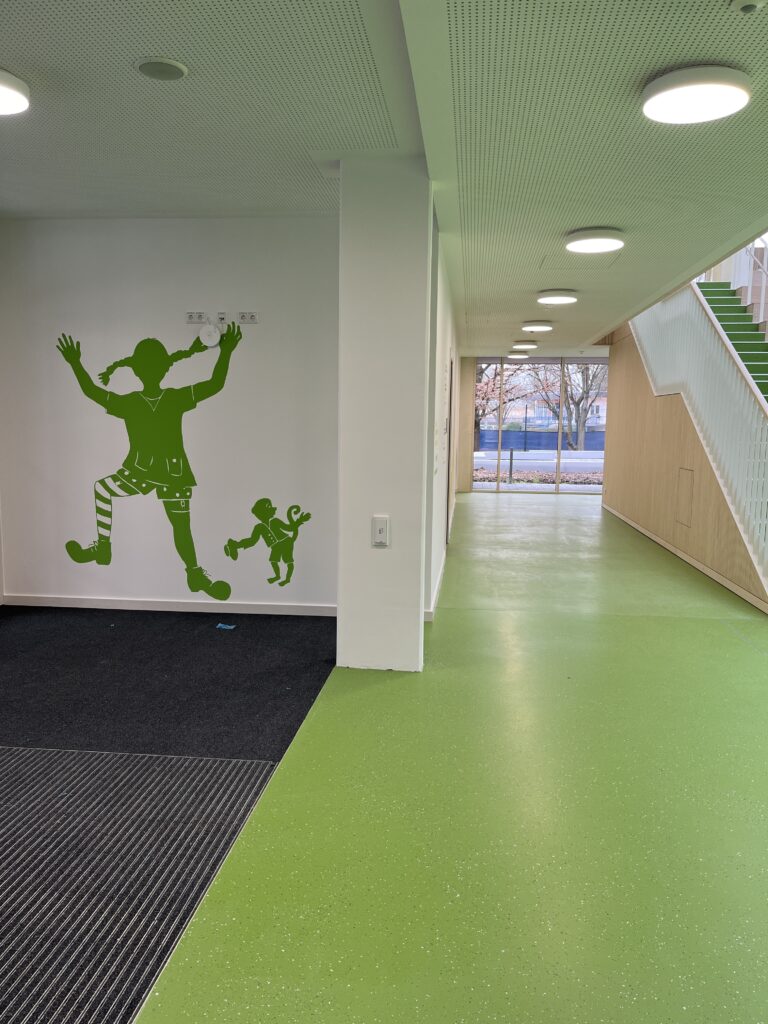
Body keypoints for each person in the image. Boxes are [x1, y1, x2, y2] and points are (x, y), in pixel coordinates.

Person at [56, 321, 243, 600]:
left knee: (175, 524)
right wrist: (226, 352)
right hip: (149, 471)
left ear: (137, 370)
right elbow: (214, 384)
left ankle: (188, 571)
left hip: (158, 472)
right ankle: (109, 550)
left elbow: (92, 392)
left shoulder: (148, 400)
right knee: (178, 526)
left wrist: (75, 363)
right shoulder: (163, 399)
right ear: (164, 369)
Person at [224, 498, 311, 586]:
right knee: (273, 561)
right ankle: (277, 576)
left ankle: (287, 579)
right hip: (275, 546)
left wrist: (300, 520)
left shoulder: (275, 521)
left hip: (286, 542)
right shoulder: (259, 527)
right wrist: (238, 545)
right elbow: (252, 540)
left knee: (288, 561)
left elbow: (289, 528)